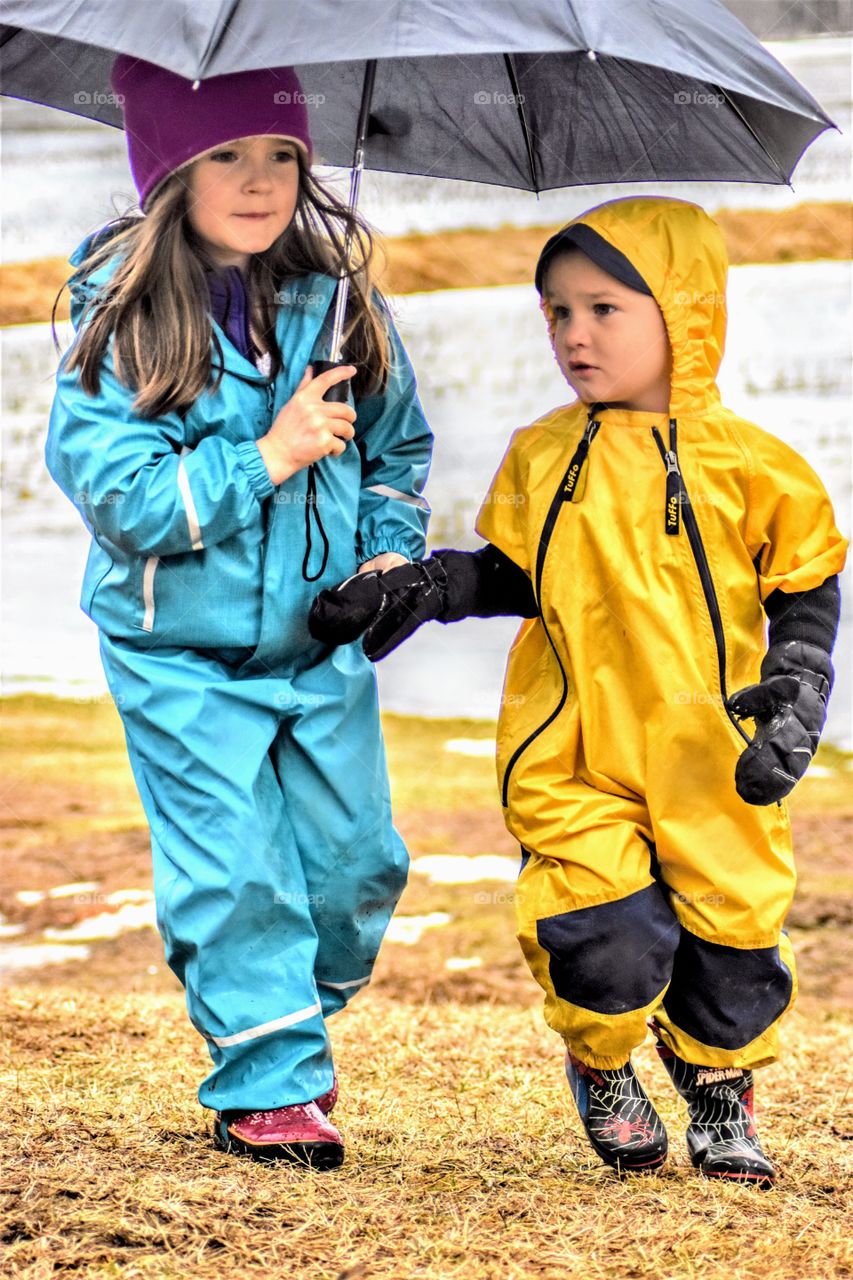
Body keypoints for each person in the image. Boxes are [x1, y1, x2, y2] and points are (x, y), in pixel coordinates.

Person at [308, 196, 848, 1187]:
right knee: (600, 929)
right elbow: (515, 572)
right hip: (573, 748)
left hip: (711, 757)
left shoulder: (758, 468)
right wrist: (428, 585)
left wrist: (799, 685)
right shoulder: (544, 454)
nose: (573, 334)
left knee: (732, 944)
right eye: (555, 311)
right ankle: (602, 1066)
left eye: (603, 308)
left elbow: (807, 586)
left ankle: (717, 1084)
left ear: (682, 311)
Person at [45, 55, 433, 1169]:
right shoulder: (119, 314)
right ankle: (269, 1079)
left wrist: (385, 554)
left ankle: (272, 1003)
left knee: (358, 864)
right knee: (236, 872)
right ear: (168, 166)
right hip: (181, 653)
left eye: (281, 156)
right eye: (226, 155)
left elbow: (398, 450)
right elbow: (121, 498)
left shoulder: (342, 300)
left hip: (317, 641)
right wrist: (265, 456)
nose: (260, 181)